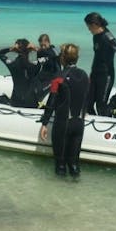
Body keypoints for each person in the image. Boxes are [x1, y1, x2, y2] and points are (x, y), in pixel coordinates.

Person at [39, 44, 89, 177]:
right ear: (77, 58)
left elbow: (51, 101)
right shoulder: (85, 75)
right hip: (79, 125)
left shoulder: (58, 77)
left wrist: (44, 123)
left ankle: (58, 194)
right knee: (74, 164)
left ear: (62, 58)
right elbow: (86, 98)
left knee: (60, 165)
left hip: (63, 125)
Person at [0, 39, 41, 108]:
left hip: (16, 101)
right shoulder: (34, 64)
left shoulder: (12, 63)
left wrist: (11, 49)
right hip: (31, 102)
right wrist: (34, 49)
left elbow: (0, 53)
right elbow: (50, 55)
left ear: (16, 50)